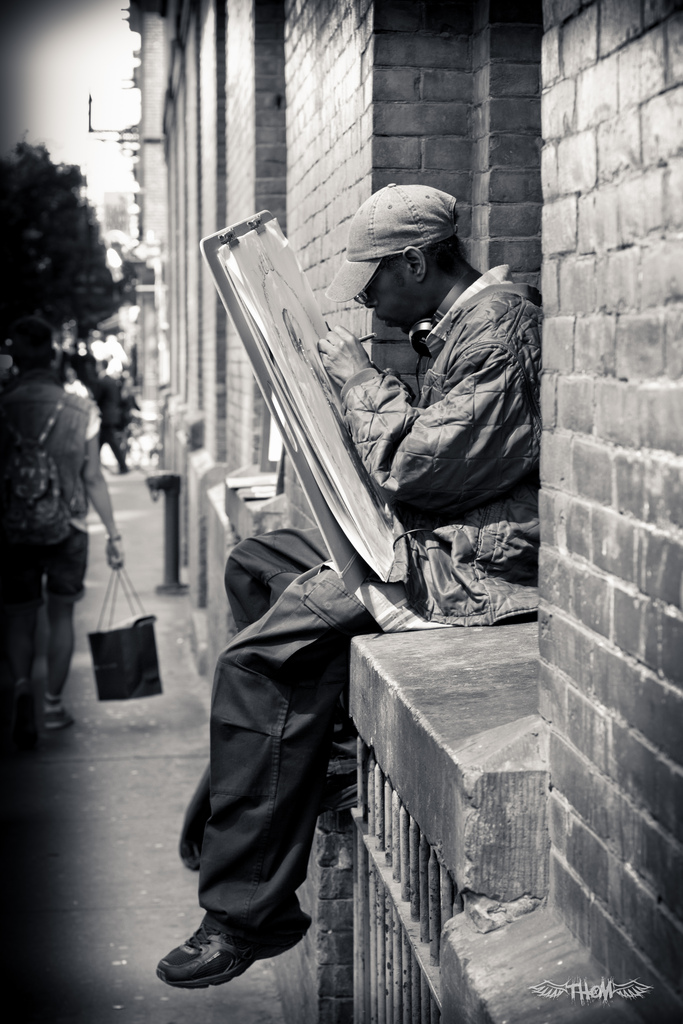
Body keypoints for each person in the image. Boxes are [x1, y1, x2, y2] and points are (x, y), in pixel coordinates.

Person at [156, 184, 542, 988]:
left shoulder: (502, 328)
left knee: (257, 663)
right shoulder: (457, 327)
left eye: (373, 280)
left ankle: (243, 914)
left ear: (415, 260)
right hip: (431, 539)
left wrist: (354, 375)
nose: (365, 299)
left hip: (475, 561)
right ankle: (315, 759)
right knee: (257, 562)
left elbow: (414, 469)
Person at [0, 316, 124, 749]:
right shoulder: (80, 409)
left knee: (18, 617)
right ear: (53, 355)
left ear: (15, 357)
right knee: (60, 615)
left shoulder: (4, 404)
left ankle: (19, 685)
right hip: (68, 526)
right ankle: (52, 704)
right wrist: (112, 533)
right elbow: (93, 478)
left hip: (12, 530)